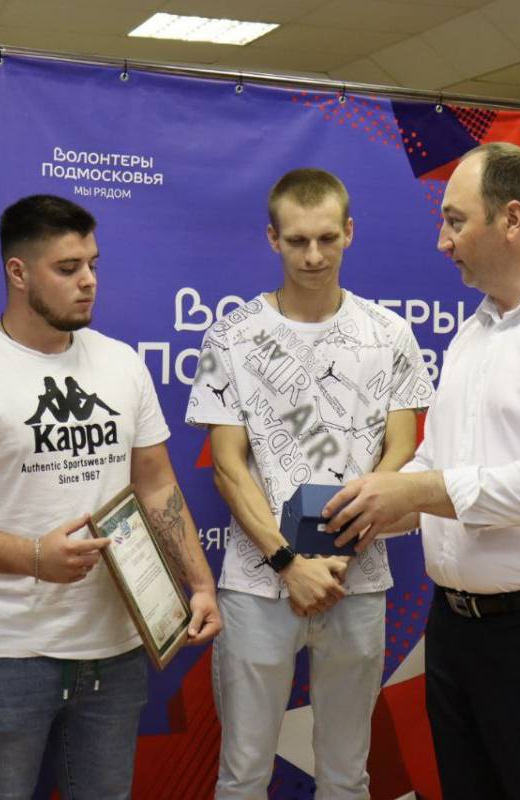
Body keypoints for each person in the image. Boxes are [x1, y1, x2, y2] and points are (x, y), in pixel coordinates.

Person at [323, 142, 520, 798]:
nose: (442, 242)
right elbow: (439, 463)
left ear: (512, 219)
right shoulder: (473, 333)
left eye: (455, 221)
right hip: (454, 632)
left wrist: (413, 488)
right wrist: (368, 508)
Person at [0, 194, 221, 800]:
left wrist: (198, 584)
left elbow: (156, 483)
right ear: (18, 272)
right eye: (68, 268)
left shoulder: (122, 364)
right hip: (4, 652)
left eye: (93, 264)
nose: (89, 281)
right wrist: (34, 557)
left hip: (118, 648)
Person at [185, 168, 433, 799]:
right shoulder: (232, 336)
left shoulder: (389, 334)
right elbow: (228, 466)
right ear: (273, 239)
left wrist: (342, 543)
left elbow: (403, 446)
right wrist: (289, 562)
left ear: (349, 231)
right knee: (243, 774)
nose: (314, 255)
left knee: (348, 774)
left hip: (358, 577)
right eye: (297, 241)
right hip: (258, 581)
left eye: (327, 238)